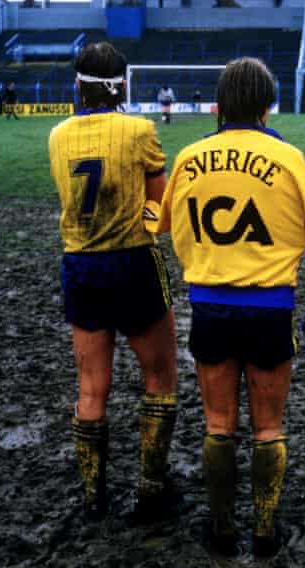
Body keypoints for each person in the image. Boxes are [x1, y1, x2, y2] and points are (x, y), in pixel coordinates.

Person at [155, 57, 305, 557]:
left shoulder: (191, 156)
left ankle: (220, 529)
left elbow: (164, 223)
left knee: (217, 423)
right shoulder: (291, 158)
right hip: (270, 310)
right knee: (268, 426)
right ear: (267, 104)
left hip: (211, 307)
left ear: (220, 102)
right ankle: (263, 529)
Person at [48, 42, 180, 523]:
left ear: (78, 86)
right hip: (132, 265)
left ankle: (92, 495)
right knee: (161, 378)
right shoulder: (140, 130)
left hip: (80, 267)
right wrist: (143, 226)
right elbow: (159, 209)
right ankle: (150, 487)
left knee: (90, 388)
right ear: (122, 84)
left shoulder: (57, 135)